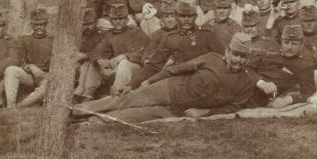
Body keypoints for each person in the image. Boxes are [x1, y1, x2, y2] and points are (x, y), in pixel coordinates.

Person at [72, 32, 273, 123]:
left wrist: (205, 112)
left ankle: (87, 122)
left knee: (126, 117)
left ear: (247, 58)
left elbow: (234, 107)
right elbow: (176, 69)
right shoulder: (212, 58)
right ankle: (75, 111)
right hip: (168, 89)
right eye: (235, 54)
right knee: (123, 101)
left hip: (177, 111)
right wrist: (150, 81)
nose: (238, 59)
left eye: (242, 56)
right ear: (227, 51)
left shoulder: (246, 82)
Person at [128, 0, 225, 89]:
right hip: (179, 84)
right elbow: (153, 65)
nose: (186, 19)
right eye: (182, 16)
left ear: (195, 16)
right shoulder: (171, 38)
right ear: (176, 16)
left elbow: (222, 61)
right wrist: (131, 85)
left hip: (204, 83)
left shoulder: (207, 35)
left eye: (190, 16)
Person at [79, 3, 149, 99]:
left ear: (127, 20)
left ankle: (116, 95)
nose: (118, 21)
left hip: (136, 70)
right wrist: (100, 61)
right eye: (115, 19)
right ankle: (88, 94)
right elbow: (96, 51)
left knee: (124, 64)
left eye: (121, 19)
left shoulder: (136, 32)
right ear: (111, 21)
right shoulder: (110, 36)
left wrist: (124, 56)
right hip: (118, 70)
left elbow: (146, 52)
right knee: (96, 63)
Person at [4, 8, 53, 108]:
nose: (39, 27)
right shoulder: (24, 39)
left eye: (42, 24)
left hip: (46, 75)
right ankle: (10, 106)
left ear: (46, 24)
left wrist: (47, 74)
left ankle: (20, 106)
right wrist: (30, 66)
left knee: (49, 84)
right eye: (36, 24)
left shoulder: (53, 40)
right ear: (32, 25)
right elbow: (19, 60)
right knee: (10, 70)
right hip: (29, 74)